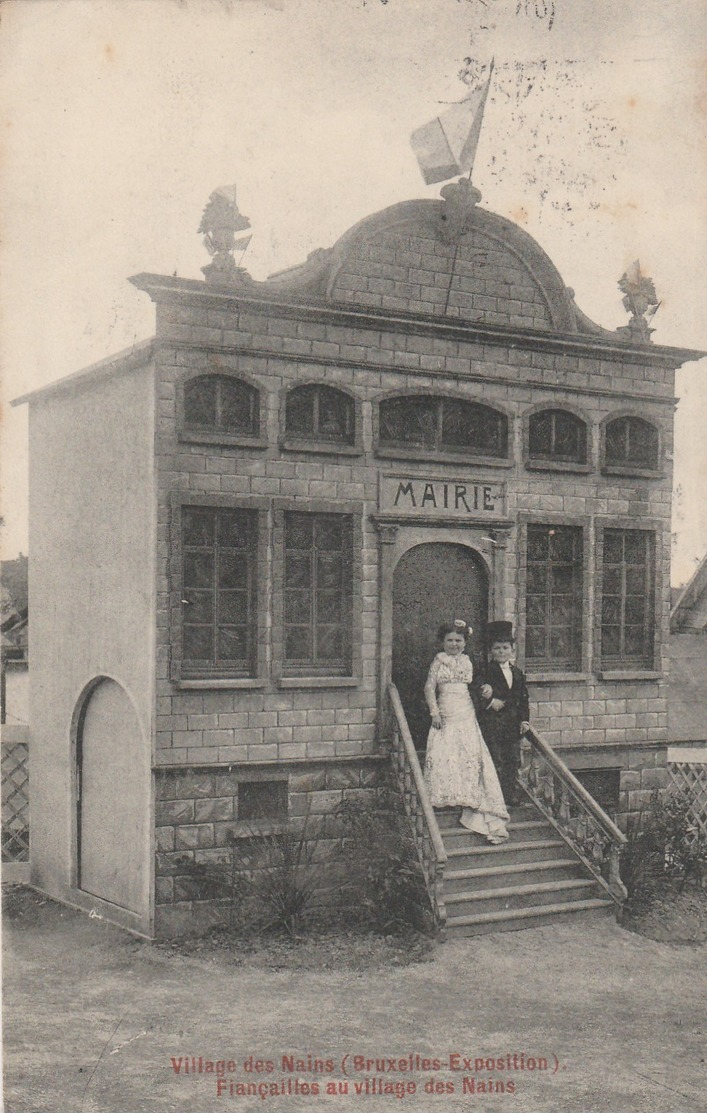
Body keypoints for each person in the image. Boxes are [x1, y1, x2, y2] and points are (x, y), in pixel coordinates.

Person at [423, 619, 509, 843]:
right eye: (450, 640)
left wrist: (487, 690)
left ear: (464, 642)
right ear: (443, 642)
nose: (454, 644)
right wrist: (434, 712)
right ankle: (447, 795)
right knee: (446, 751)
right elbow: (430, 687)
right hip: (446, 711)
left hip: (466, 711)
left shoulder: (470, 662)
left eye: (458, 640)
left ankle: (468, 795)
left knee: (469, 752)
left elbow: (477, 685)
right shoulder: (438, 661)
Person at [475, 620, 530, 806]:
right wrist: (490, 701)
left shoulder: (517, 673)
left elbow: (523, 698)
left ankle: (510, 795)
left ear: (512, 650)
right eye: (497, 648)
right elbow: (475, 691)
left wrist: (524, 720)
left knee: (513, 760)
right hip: (492, 723)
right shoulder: (484, 670)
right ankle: (495, 797)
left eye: (505, 648)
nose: (501, 651)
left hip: (512, 724)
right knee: (495, 758)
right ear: (491, 650)